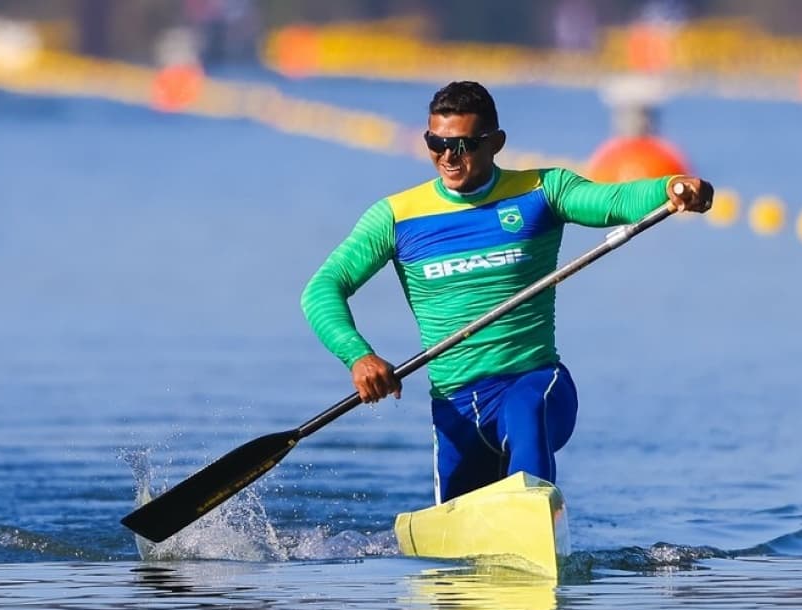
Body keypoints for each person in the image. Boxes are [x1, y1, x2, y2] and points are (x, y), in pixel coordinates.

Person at [301, 81, 713, 504]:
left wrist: (670, 187)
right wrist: (359, 356)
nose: (447, 156)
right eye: (436, 143)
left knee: (526, 414)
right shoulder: (394, 217)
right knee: (453, 548)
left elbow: (612, 199)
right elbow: (321, 290)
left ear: (496, 143)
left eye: (462, 145)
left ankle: (534, 515)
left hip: (533, 383)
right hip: (455, 406)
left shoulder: (542, 191)